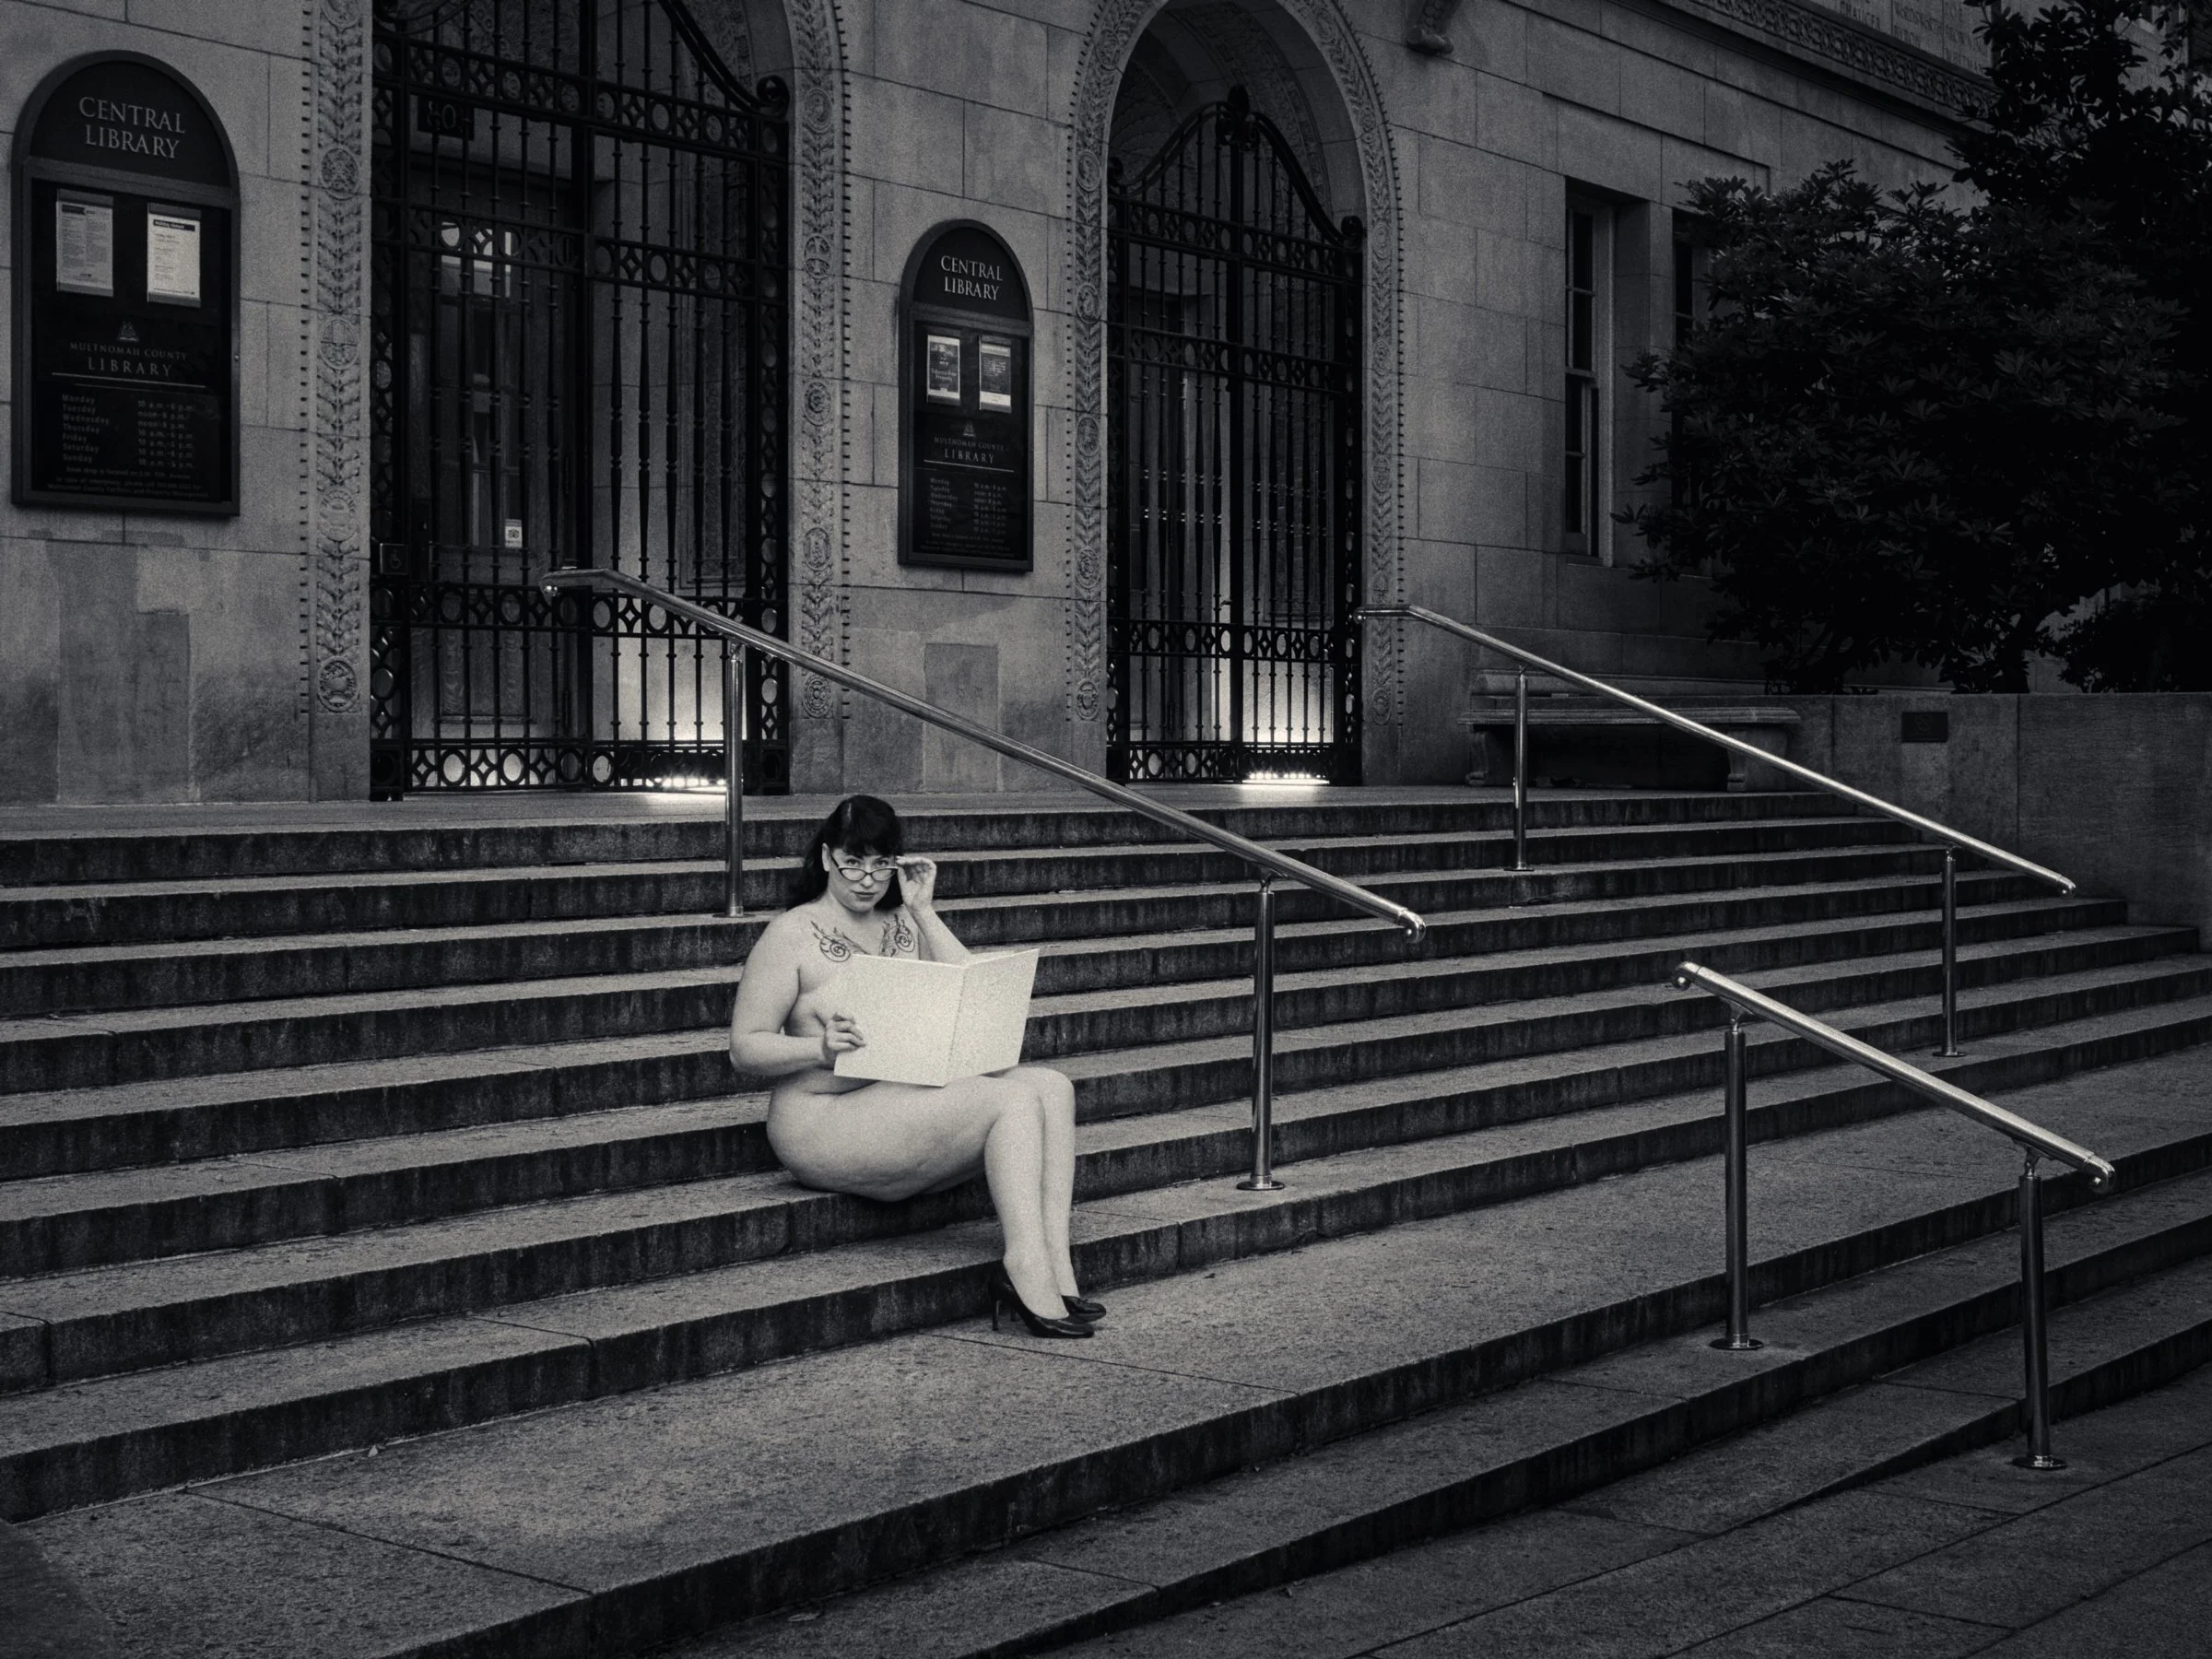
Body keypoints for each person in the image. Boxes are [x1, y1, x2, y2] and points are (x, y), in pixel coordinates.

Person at [728, 794, 1101, 1338]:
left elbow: (972, 991)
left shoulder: (902, 920)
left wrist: (925, 911)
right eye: (854, 862)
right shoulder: (792, 933)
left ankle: (1056, 1267)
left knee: (1051, 1085)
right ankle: (1022, 1266)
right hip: (819, 1116)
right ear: (828, 857)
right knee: (1012, 1099)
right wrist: (819, 1049)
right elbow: (744, 1048)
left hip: (896, 1098)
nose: (866, 879)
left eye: (881, 865)